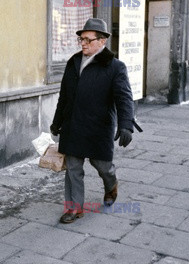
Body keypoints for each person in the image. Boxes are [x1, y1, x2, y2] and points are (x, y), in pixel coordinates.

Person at [50, 18, 136, 224]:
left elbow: (124, 97)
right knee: (73, 169)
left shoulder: (115, 67)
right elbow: (64, 96)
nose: (83, 43)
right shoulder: (73, 62)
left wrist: (126, 125)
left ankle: (111, 184)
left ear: (102, 41)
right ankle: (74, 208)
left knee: (102, 166)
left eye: (88, 39)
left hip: (99, 128)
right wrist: (57, 121)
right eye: (82, 39)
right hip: (73, 125)